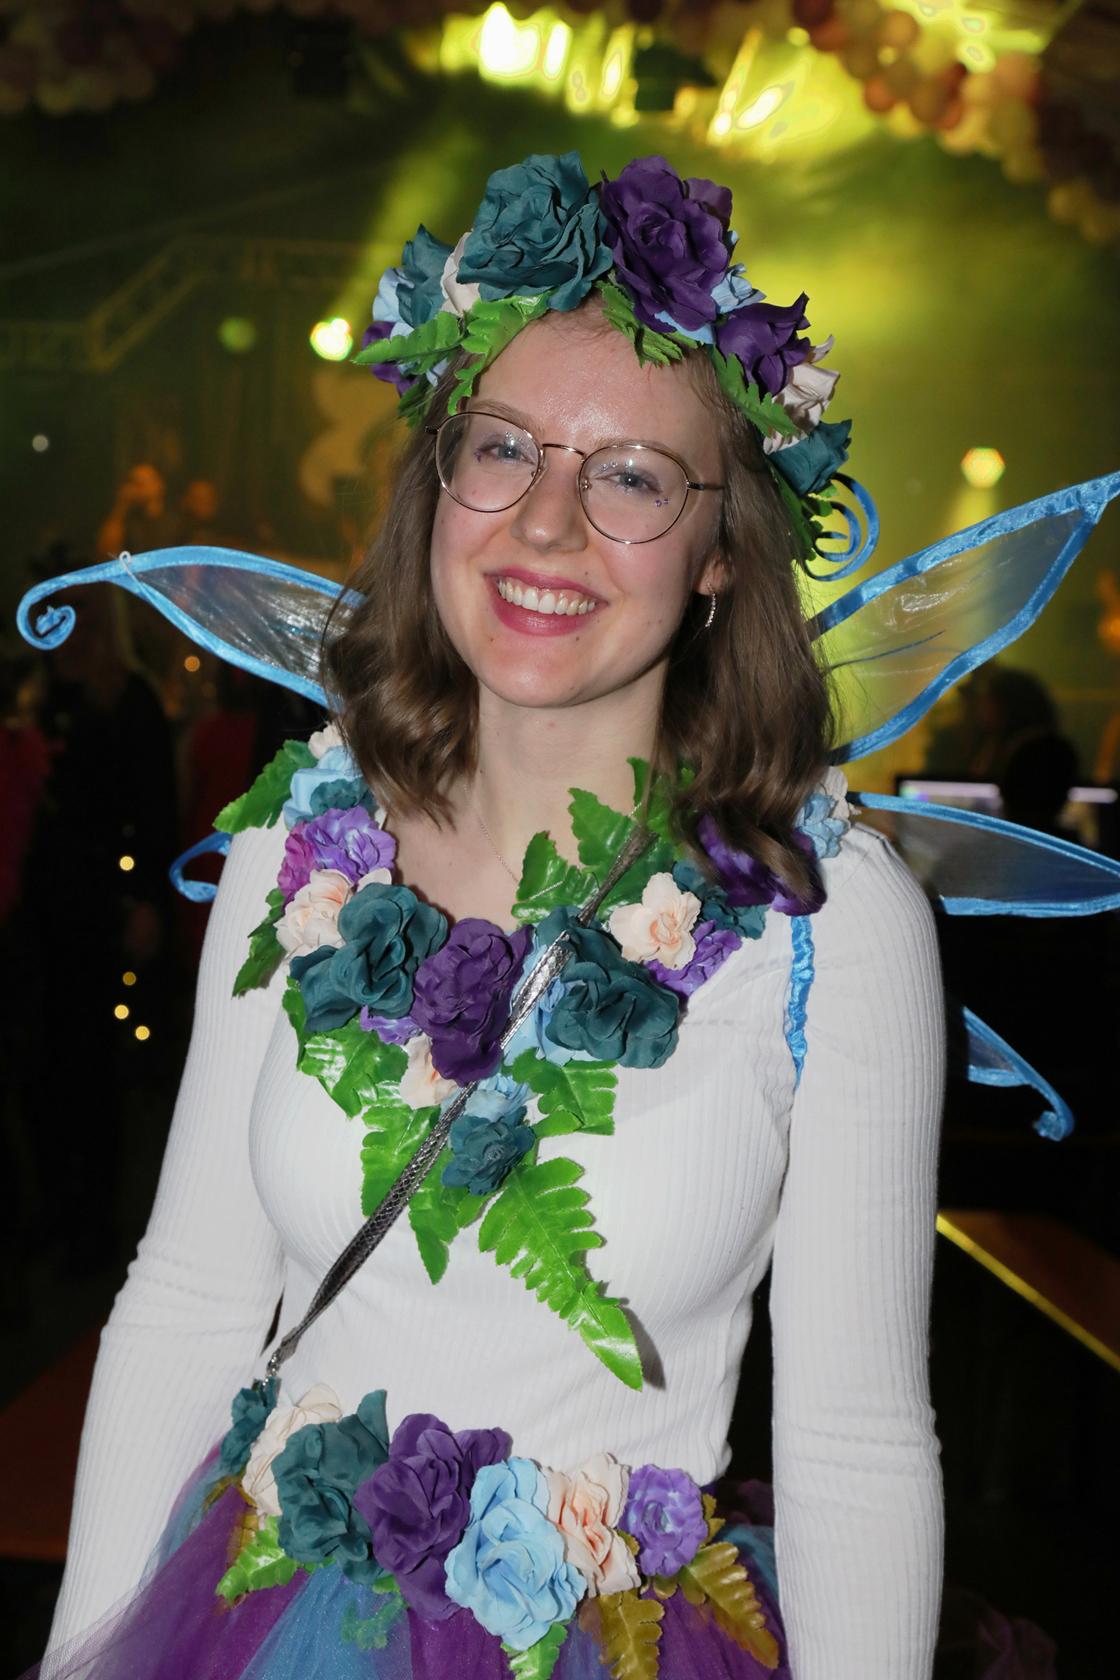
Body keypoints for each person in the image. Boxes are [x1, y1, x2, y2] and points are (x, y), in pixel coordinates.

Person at [38, 154, 949, 1680]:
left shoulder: (827, 916)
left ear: (722, 552)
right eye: (505, 448)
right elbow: (189, 1303)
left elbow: (855, 1440)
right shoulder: (297, 845)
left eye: (632, 476)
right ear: (438, 482)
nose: (546, 521)